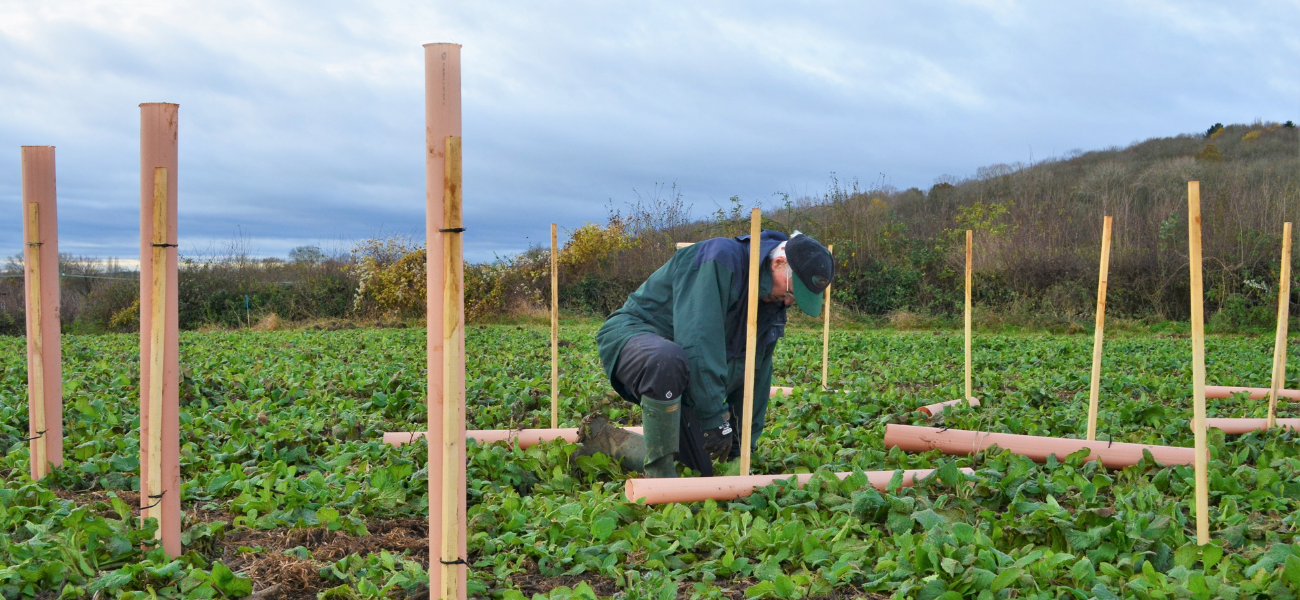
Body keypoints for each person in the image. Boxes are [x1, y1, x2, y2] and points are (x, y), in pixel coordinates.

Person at [575, 229, 834, 478]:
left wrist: (743, 445)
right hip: (637, 338)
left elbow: (755, 374)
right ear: (778, 262)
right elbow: (698, 344)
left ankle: (605, 440)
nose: (788, 301)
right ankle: (660, 477)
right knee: (667, 359)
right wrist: (714, 418)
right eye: (790, 292)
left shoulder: (770, 301)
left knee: (699, 470)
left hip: (685, 366)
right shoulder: (720, 259)